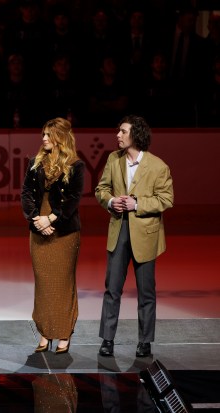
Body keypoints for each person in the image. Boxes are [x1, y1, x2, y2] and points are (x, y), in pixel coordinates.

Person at [96, 115, 174, 358]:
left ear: (135, 135)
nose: (117, 135)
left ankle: (145, 341)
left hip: (146, 235)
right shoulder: (113, 159)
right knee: (112, 289)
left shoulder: (158, 166)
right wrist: (110, 201)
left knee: (146, 292)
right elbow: (101, 189)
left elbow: (166, 199)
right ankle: (107, 339)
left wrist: (136, 203)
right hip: (119, 231)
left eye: (122, 131)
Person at [21, 117, 84, 354]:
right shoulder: (35, 162)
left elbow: (73, 200)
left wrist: (52, 218)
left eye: (48, 135)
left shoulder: (76, 165)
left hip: (64, 231)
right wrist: (36, 219)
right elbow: (26, 193)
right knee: (44, 283)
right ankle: (45, 333)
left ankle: (64, 333)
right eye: (43, 135)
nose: (44, 139)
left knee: (62, 282)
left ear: (60, 138)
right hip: (39, 227)